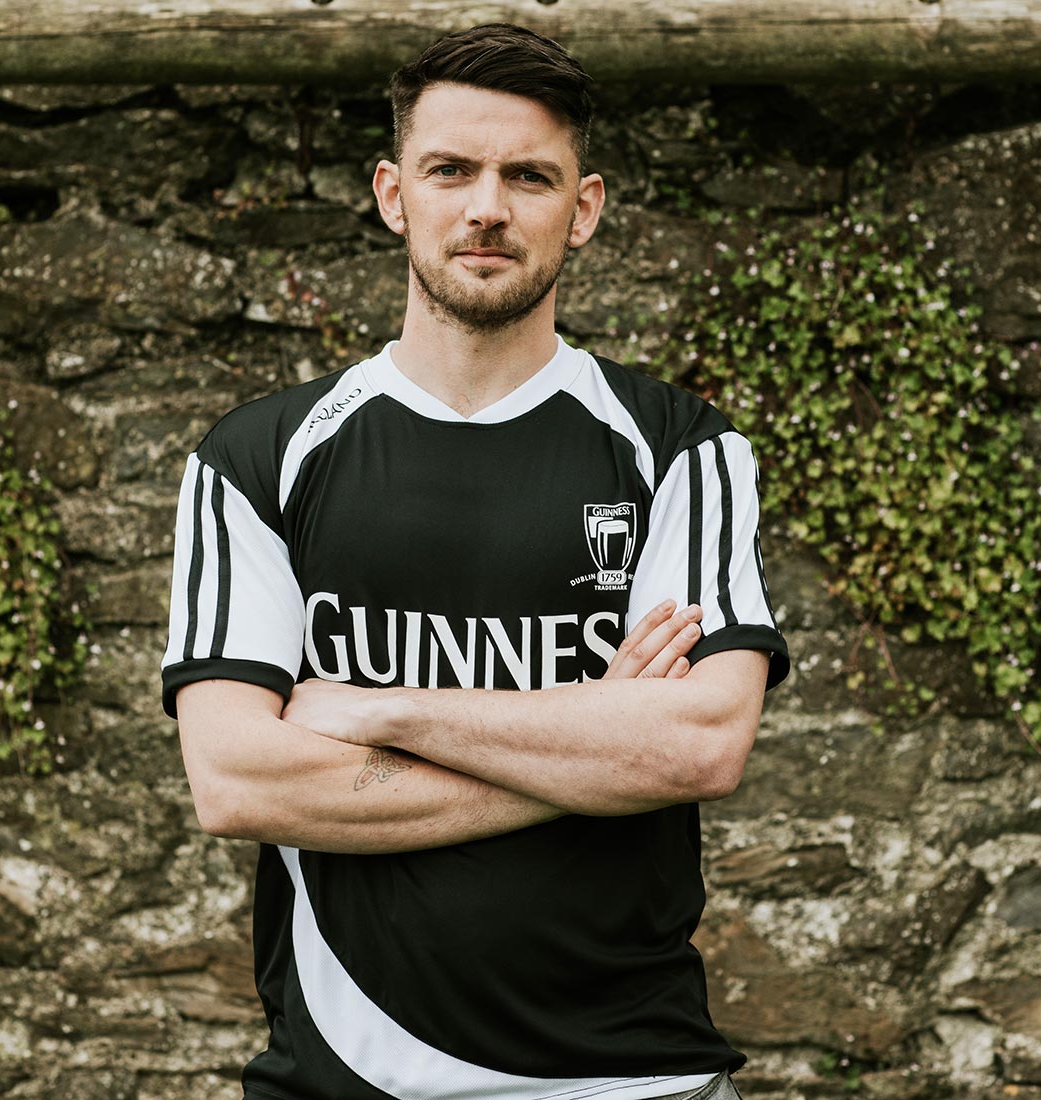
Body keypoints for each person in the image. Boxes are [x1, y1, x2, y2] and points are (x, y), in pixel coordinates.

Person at [162, 22, 789, 1100]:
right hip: (346, 1076)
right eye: (450, 169)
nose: (486, 206)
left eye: (527, 176)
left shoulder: (681, 446)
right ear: (392, 192)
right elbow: (236, 777)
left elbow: (695, 745)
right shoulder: (257, 459)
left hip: (633, 1080)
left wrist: (382, 707)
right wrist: (591, 743)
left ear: (581, 207)